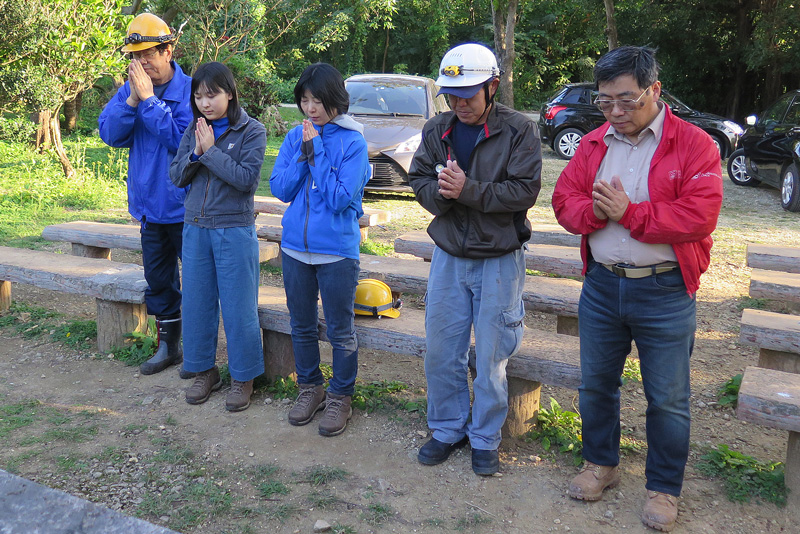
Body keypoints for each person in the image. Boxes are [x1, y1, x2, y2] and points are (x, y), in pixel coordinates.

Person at [551, 46, 723, 532]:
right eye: (605, 102)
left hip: (665, 291)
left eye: (627, 101)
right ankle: (600, 464)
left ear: (654, 91)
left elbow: (698, 216)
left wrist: (630, 214)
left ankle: (664, 489)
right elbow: (564, 202)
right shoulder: (593, 144)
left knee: (667, 397)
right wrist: (596, 212)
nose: (616, 113)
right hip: (603, 287)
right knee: (595, 386)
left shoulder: (694, 145)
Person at [408, 43, 542, 475]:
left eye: (469, 94)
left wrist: (466, 190)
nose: (460, 103)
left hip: (499, 257)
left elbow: (524, 191)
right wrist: (444, 196)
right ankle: (447, 427)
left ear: (492, 86)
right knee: (442, 349)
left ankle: (485, 436)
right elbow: (419, 177)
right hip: (448, 252)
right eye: (453, 94)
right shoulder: (438, 127)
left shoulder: (518, 130)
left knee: (492, 354)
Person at [270, 63, 370, 437]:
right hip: (295, 247)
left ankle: (341, 396)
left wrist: (318, 155)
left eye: (318, 101)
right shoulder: (296, 137)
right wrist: (304, 153)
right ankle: (309, 388)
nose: (310, 109)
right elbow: (280, 188)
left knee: (341, 330)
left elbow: (341, 198)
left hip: (337, 254)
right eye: (305, 100)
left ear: (335, 101)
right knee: (301, 325)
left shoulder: (354, 142)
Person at [98, 13, 192, 377]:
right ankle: (168, 345)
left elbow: (182, 143)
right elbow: (110, 134)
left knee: (199, 281)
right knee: (159, 281)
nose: (141, 63)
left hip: (187, 209)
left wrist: (150, 101)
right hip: (150, 208)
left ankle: (202, 353)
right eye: (135, 56)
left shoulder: (192, 91)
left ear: (168, 51)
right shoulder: (131, 91)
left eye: (149, 54)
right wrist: (134, 101)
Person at [169, 62, 267, 412]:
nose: (205, 103)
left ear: (229, 93)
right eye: (198, 96)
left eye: (212, 95)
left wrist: (210, 152)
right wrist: (197, 151)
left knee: (239, 307)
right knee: (196, 304)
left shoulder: (252, 131)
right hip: (195, 227)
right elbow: (177, 176)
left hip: (233, 229)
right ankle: (204, 370)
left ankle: (243, 377)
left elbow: (247, 181)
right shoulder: (195, 129)